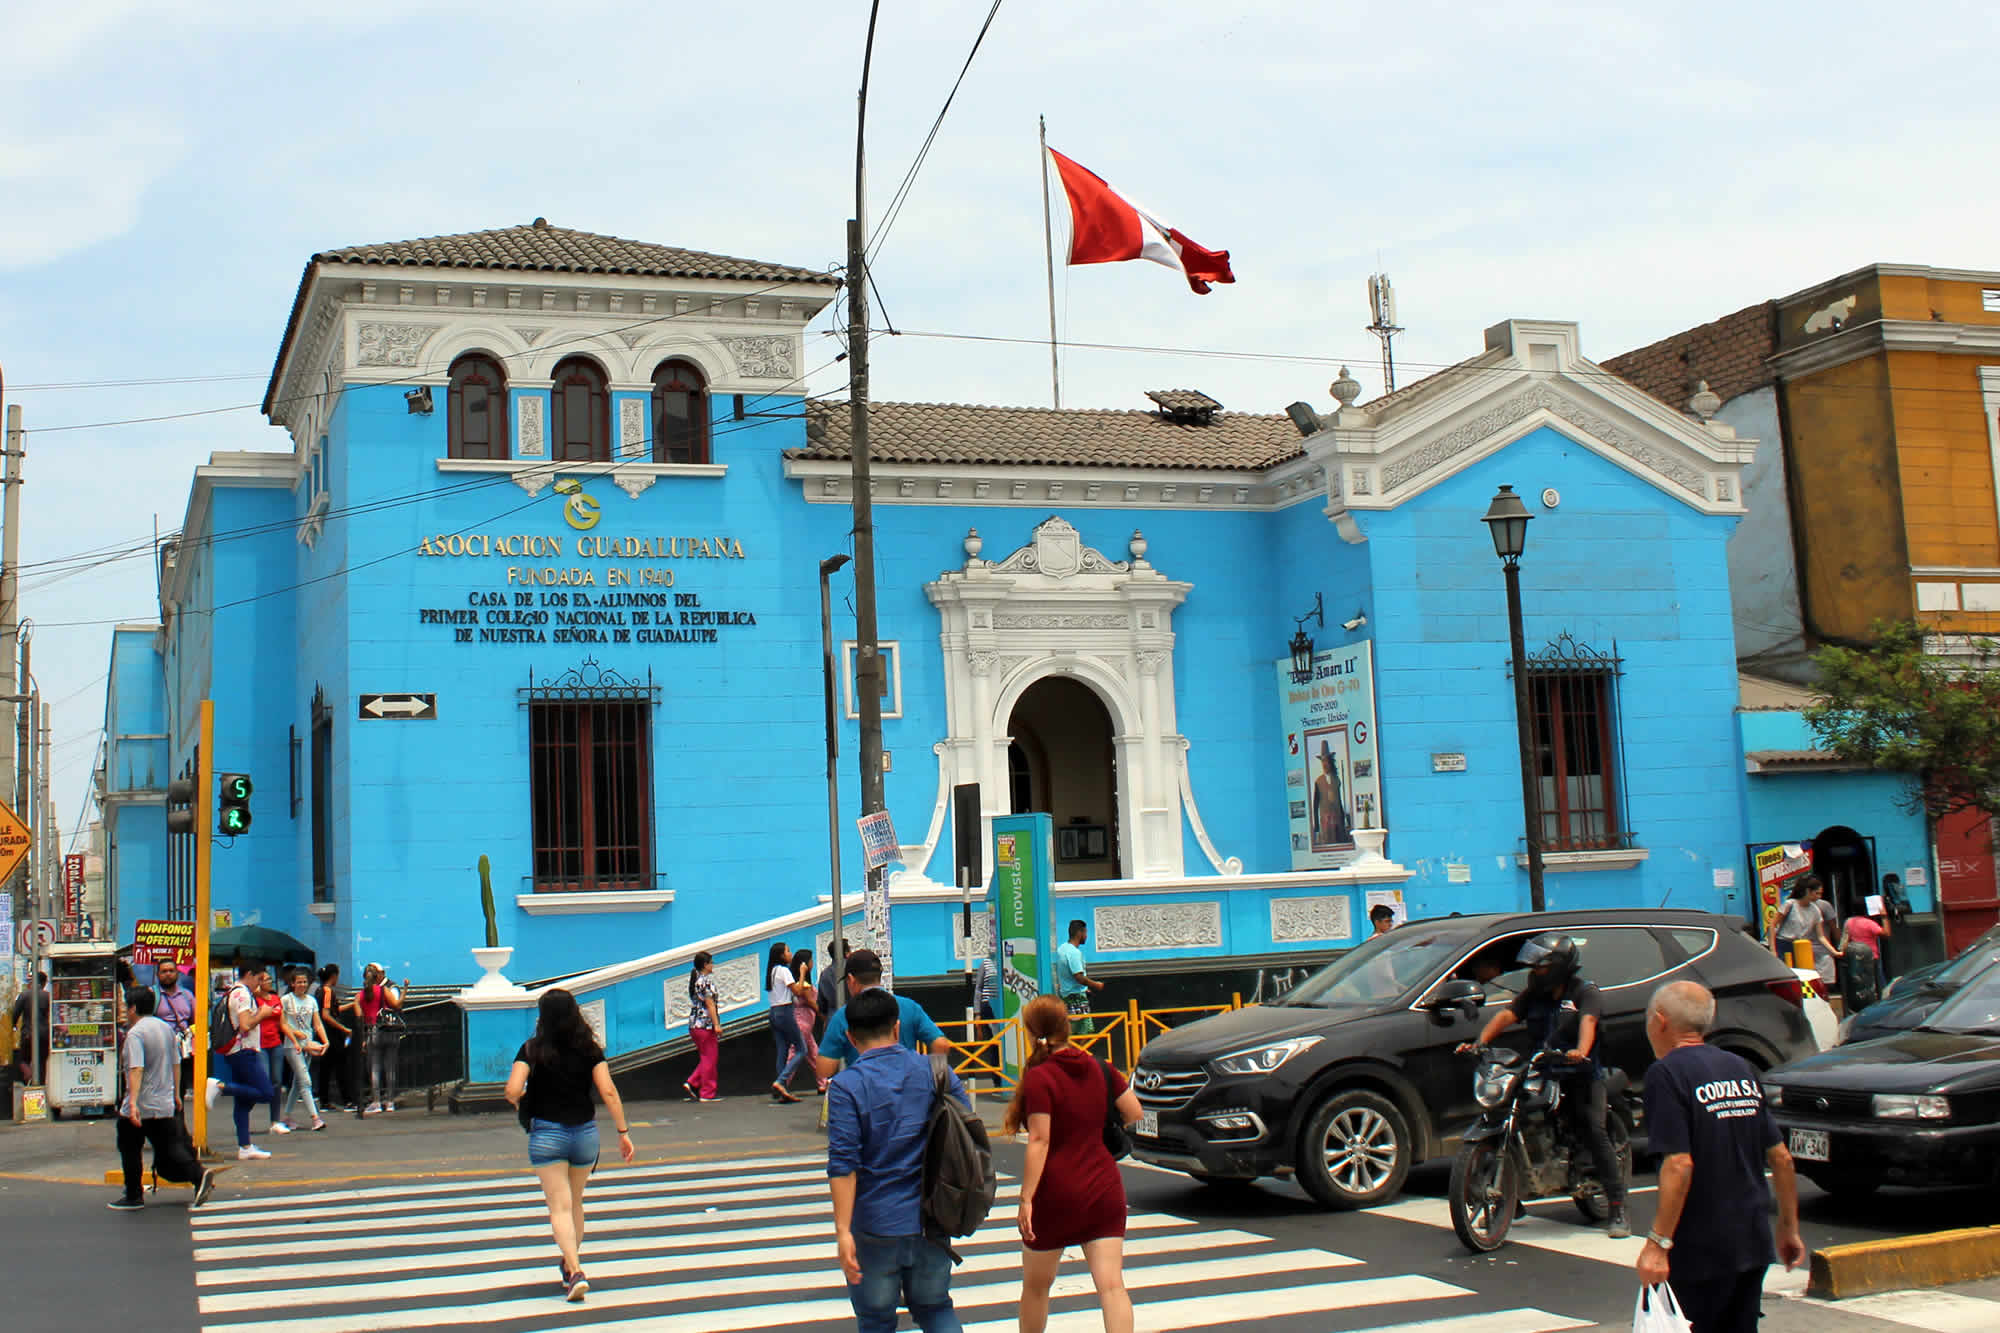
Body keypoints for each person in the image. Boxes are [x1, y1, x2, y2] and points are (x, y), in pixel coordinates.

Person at [1636, 980, 1805, 1333]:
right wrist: (1788, 1228)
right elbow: (1781, 1157)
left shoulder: (1665, 1074)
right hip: (1752, 1242)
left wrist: (1658, 1244)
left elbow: (1679, 1164)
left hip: (1701, 1248)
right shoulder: (1739, 1067)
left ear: (1660, 1021)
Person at [1458, 933, 1629, 1237]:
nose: (1534, 974)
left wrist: (1581, 1052)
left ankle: (1617, 1209)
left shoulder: (1585, 992)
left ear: (1559, 966)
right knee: (1512, 1115)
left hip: (1582, 1074)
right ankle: (1512, 1198)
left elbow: (1588, 1024)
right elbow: (1506, 1015)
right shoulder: (1533, 993)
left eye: (1540, 968)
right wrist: (1479, 1043)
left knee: (1593, 1127)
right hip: (1544, 1070)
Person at [826, 987, 969, 1333]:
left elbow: (843, 1164)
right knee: (935, 1308)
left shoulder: (846, 1086)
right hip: (931, 1218)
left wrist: (843, 1231)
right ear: (896, 1027)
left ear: (850, 1036)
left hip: (875, 1223)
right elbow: (967, 1128)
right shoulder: (937, 1072)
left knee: (876, 1319)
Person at [1006, 995, 1142, 1333]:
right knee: (1112, 1286)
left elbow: (1040, 1139)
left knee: (1037, 1286)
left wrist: (1026, 1198)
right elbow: (1135, 1112)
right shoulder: (1100, 1066)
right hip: (1103, 1188)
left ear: (1031, 1032)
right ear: (1067, 1026)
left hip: (1056, 1193)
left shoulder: (1040, 1076)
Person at [505, 988, 636, 1304]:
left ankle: (575, 1270)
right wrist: (623, 1132)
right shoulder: (589, 1049)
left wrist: (523, 1102)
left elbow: (511, 1089)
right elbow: (608, 1091)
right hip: (584, 1134)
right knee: (575, 1204)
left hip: (547, 1134)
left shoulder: (531, 1049)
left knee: (559, 1207)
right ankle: (569, 1263)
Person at [110, 986, 216, 1211]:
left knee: (129, 1146)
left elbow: (136, 1069)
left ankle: (133, 1195)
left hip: (141, 1104)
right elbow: (176, 1063)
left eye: (126, 1007)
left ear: (133, 1008)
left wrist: (132, 1102)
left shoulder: (135, 1034)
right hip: (165, 1101)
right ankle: (198, 1175)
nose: (124, 1012)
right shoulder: (166, 1029)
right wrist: (176, 1094)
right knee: (169, 1147)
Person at [814, 949, 953, 1084]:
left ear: (851, 979)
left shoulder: (843, 1016)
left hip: (864, 1094)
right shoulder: (909, 1007)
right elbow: (941, 1044)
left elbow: (825, 1069)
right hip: (909, 1089)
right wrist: (936, 1080)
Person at [205, 961, 278, 1161]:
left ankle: (245, 1146)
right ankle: (220, 1087)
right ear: (249, 974)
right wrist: (262, 1014)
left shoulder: (233, 992)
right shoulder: (243, 994)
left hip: (235, 1050)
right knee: (265, 1092)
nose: (260, 983)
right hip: (244, 1050)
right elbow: (245, 1025)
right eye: (258, 978)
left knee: (243, 1103)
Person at [343, 963, 405, 1114]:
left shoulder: (360, 996)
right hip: (389, 1030)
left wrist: (363, 1037)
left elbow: (359, 1018)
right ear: (378, 977)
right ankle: (390, 1102)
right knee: (390, 1068)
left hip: (372, 1031)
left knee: (375, 1068)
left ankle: (376, 1102)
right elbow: (397, 1005)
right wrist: (405, 990)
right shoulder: (384, 990)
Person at [278, 968, 328, 1131]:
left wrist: (325, 1041)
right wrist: (294, 1034)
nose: (302, 985)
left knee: (297, 1083)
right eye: (298, 982)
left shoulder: (311, 1001)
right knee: (306, 1081)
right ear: (292, 983)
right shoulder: (286, 1000)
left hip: (308, 1043)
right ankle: (315, 1118)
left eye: (304, 982)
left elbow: (317, 1023)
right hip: (292, 1046)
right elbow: (282, 1024)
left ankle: (286, 1117)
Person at [1770, 875, 1836, 989]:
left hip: (1801, 946)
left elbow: (1821, 936)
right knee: (1787, 979)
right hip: (1784, 944)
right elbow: (1772, 925)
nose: (1819, 897)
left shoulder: (1815, 910)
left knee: (1801, 979)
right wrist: (1773, 950)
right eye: (1817, 893)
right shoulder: (1790, 904)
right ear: (1808, 891)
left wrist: (1834, 951)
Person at [768, 941, 810, 1103]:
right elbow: (798, 991)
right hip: (785, 1011)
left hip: (773, 1011)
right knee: (801, 1049)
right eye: (787, 951)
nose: (790, 954)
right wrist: (801, 973)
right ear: (781, 955)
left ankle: (782, 1087)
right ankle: (781, 1081)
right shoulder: (784, 971)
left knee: (782, 1050)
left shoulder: (772, 971)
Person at [1053, 920, 1105, 1035]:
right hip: (1077, 1000)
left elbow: (1067, 975)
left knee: (1071, 1032)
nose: (1086, 936)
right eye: (1085, 933)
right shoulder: (1074, 953)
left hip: (1066, 997)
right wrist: (1096, 985)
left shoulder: (1062, 949)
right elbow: (1079, 977)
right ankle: (1076, 1053)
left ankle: (1073, 1052)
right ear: (1079, 933)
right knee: (1085, 1032)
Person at [152, 958, 196, 1095]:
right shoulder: (152, 995)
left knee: (180, 1086)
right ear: (158, 975)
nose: (168, 974)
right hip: (160, 1047)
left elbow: (195, 1020)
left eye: (171, 971)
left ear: (177, 973)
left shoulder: (187, 995)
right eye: (164, 971)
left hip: (183, 1048)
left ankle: (179, 1113)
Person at [683, 951, 722, 1103]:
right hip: (705, 1024)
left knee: (707, 1057)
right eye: (711, 962)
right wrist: (717, 1024)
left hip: (695, 1024)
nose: (713, 965)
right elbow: (710, 1004)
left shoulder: (696, 981)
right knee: (710, 1058)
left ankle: (693, 1082)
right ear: (705, 965)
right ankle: (707, 1092)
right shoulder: (705, 982)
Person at [315, 964, 354, 1112]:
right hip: (331, 1034)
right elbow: (326, 1015)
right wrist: (344, 1029)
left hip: (323, 1034)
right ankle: (347, 1100)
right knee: (340, 1068)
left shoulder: (319, 991)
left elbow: (333, 1010)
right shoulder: (327, 991)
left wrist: (351, 1004)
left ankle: (324, 1101)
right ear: (334, 976)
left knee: (325, 1068)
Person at [792, 948, 826, 1095]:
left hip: (806, 1024)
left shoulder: (802, 983)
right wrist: (822, 1014)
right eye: (811, 960)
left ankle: (823, 1082)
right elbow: (812, 1003)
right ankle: (782, 1081)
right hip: (803, 1022)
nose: (813, 963)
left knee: (813, 1053)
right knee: (795, 1053)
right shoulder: (803, 985)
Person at [257, 971, 288, 1132]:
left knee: (276, 1082)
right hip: (260, 1044)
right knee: (265, 1081)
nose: (269, 982)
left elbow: (282, 1023)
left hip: (275, 1043)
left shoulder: (276, 999)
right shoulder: (254, 1000)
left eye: (270, 979)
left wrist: (295, 1040)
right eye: (266, 980)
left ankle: (275, 1121)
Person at [1839, 904, 1891, 994]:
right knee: (1876, 986)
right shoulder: (1869, 923)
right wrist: (1884, 917)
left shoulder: (1849, 922)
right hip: (1871, 958)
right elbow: (1886, 934)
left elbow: (1845, 941)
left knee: (1860, 985)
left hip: (1855, 958)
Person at [9, 971, 49, 1081]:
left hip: (28, 1034)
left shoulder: (24, 995)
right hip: (44, 1035)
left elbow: (15, 1014)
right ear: (44, 983)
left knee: (22, 1059)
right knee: (41, 1063)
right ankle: (40, 1087)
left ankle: (28, 1076)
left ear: (32, 981)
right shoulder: (47, 996)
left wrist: (12, 1026)